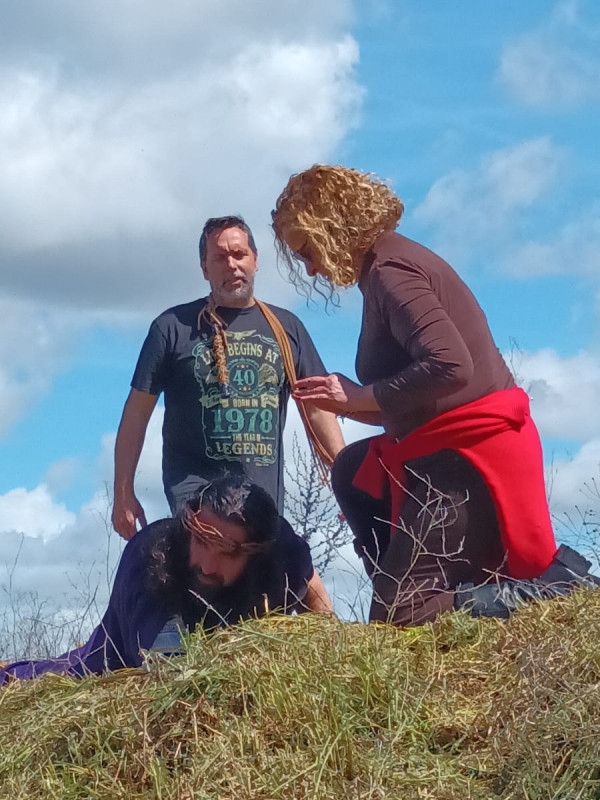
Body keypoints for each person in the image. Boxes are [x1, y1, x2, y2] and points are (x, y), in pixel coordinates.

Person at [271, 164, 598, 626]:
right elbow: (425, 398)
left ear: (332, 226)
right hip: (445, 447)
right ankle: (416, 586)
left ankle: (557, 588)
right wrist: (350, 402)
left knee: (400, 611)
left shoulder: (391, 271)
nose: (310, 267)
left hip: (472, 455)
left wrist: (361, 395)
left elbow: (450, 366)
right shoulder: (383, 267)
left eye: (308, 250)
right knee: (351, 469)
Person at [112, 215, 345, 539]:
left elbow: (317, 408)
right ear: (205, 268)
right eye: (220, 258)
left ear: (255, 260)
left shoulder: (286, 328)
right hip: (196, 502)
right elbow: (137, 412)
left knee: (303, 580)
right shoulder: (172, 327)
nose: (232, 264)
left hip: (261, 506)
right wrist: (123, 492)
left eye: (239, 254)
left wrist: (345, 480)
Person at [1, 475, 333, 684]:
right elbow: (163, 676)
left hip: (224, 641)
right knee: (65, 674)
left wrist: (334, 649)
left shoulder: (282, 553)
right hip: (121, 654)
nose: (205, 564)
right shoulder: (152, 557)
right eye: (201, 542)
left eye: (227, 554)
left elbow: (312, 587)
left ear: (256, 554)